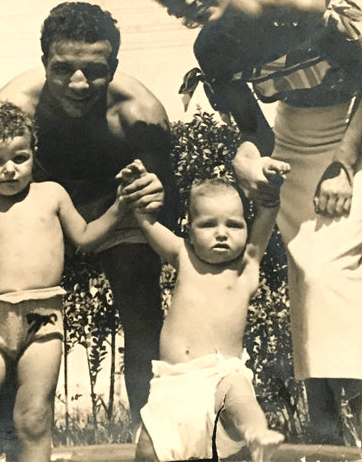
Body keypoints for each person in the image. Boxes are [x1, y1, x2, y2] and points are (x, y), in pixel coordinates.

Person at [136, 0, 362, 451]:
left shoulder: (299, 7)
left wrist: (344, 164)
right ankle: (326, 433)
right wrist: (250, 160)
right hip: (296, 137)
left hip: (359, 130)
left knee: (331, 272)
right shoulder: (211, 49)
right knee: (307, 271)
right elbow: (253, 130)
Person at [0, 2, 177, 430]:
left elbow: (161, 202)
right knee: (11, 304)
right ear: (43, 63)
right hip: (38, 208)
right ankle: (7, 441)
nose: (78, 83)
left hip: (113, 207)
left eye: (94, 69)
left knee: (142, 309)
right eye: (63, 68)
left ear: (114, 64)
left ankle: (155, 438)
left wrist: (153, 193)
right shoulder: (15, 104)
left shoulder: (140, 113)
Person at [0, 101, 142, 461]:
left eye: (19, 158)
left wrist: (119, 206)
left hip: (43, 320)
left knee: (34, 419)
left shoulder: (51, 195)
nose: (9, 170)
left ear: (33, 154)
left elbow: (84, 238)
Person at [121, 160, 288, 461]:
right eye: (209, 224)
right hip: (173, 383)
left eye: (234, 224)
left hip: (220, 374)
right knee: (148, 448)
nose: (222, 233)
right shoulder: (184, 256)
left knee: (238, 393)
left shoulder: (246, 267)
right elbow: (146, 222)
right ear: (190, 229)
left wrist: (272, 190)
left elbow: (268, 212)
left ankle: (257, 434)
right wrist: (139, 186)